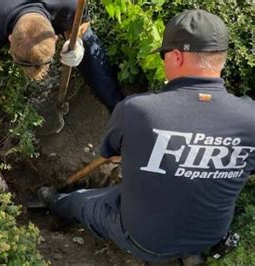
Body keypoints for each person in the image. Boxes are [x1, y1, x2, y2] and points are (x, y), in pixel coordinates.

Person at [38, 10, 254, 262]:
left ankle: (55, 202)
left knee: (82, 201)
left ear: (176, 56)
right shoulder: (250, 118)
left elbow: (113, 155)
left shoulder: (138, 111)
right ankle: (190, 254)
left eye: (164, 56)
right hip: (209, 236)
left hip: (145, 240)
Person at [0, 0, 124, 112]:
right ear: (9, 39)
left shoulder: (70, 4)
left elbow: (83, 21)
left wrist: (77, 40)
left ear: (56, 37)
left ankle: (118, 107)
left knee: (88, 43)